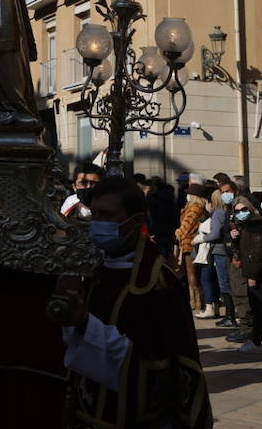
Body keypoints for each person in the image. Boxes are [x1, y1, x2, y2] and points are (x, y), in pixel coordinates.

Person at [50, 176, 212, 429]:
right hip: (87, 411)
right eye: (95, 215)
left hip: (134, 417)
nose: (98, 223)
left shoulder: (157, 283)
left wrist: (83, 323)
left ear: (136, 221)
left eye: (107, 215)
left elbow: (154, 361)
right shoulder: (97, 268)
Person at [231, 194, 262, 354]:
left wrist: (253, 276)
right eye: (237, 211)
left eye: (244, 209)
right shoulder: (246, 224)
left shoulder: (257, 223)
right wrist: (235, 238)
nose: (241, 213)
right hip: (257, 271)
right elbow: (245, 249)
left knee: (260, 309)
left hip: (260, 272)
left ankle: (258, 342)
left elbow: (259, 252)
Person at [201, 179, 238, 328]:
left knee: (224, 284)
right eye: (222, 193)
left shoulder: (218, 213)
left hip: (220, 250)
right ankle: (231, 314)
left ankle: (230, 316)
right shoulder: (227, 211)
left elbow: (215, 233)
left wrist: (202, 238)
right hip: (227, 250)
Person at [176, 184, 211, 316]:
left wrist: (178, 232)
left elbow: (187, 225)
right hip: (191, 242)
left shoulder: (194, 208)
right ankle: (196, 300)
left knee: (192, 273)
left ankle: (196, 301)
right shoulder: (194, 207)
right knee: (192, 273)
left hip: (190, 242)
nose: (187, 196)